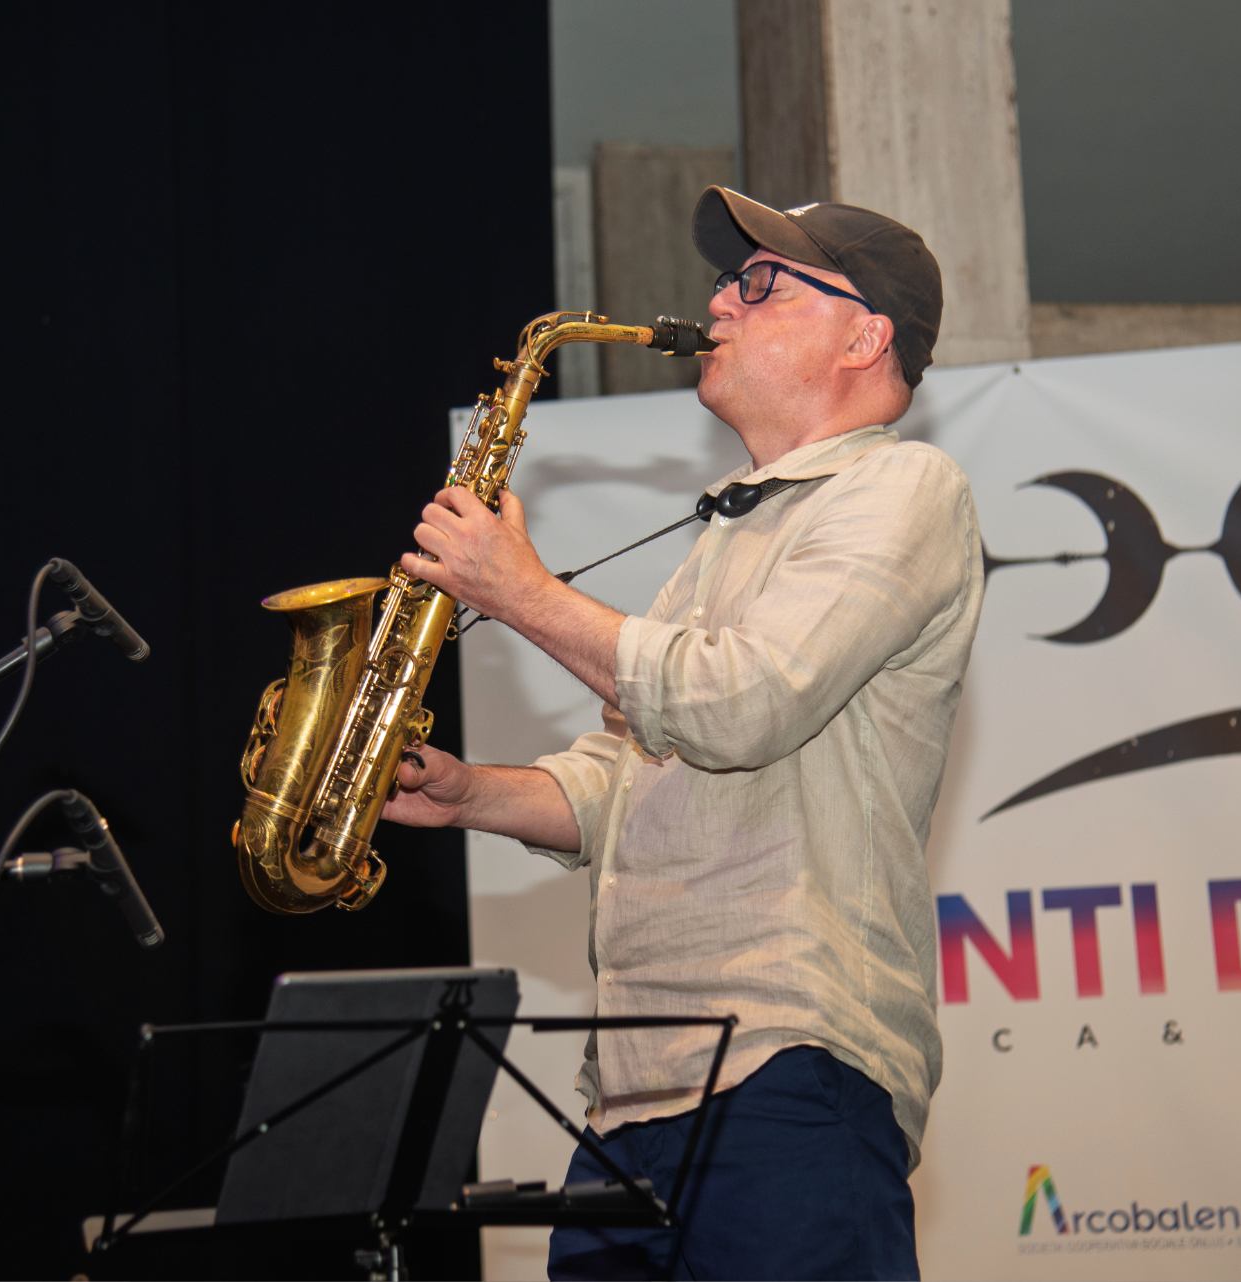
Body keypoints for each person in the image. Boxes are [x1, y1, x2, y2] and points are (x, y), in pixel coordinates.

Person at [387, 186, 984, 1280]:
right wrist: (470, 792)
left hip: (788, 1069)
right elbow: (632, 779)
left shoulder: (903, 487)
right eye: (726, 280)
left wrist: (519, 594)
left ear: (865, 337)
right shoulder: (730, 532)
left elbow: (742, 703)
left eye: (760, 282)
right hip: (630, 1097)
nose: (718, 301)